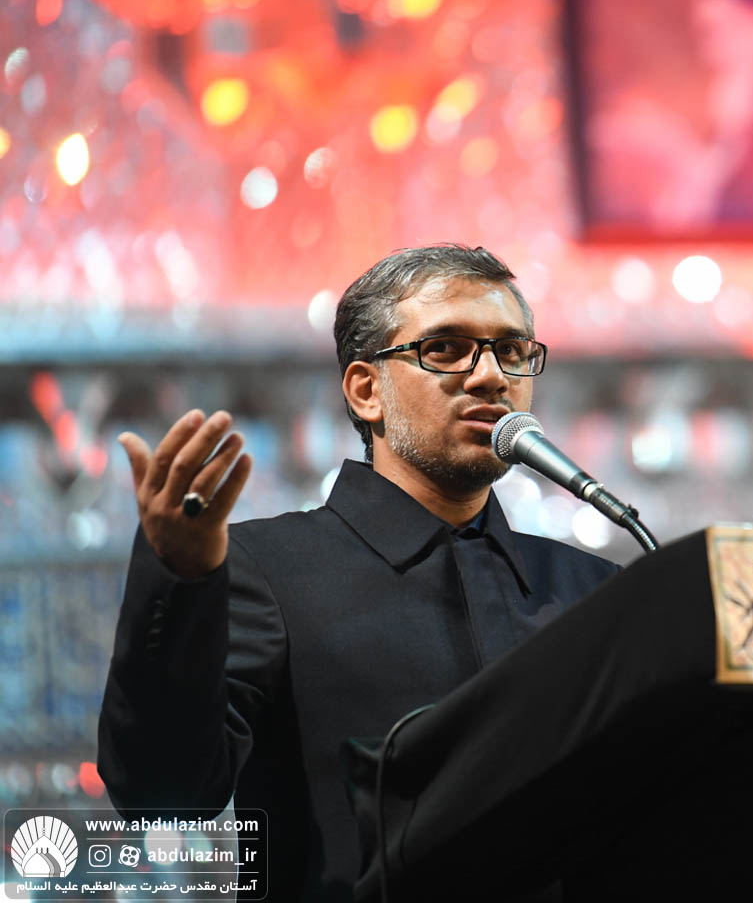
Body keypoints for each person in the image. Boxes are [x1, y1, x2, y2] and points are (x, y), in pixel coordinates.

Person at [97, 245, 619, 900]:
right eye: (447, 349)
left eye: (512, 350)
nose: (492, 376)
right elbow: (161, 793)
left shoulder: (591, 590)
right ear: (367, 391)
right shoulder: (267, 568)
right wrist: (179, 579)